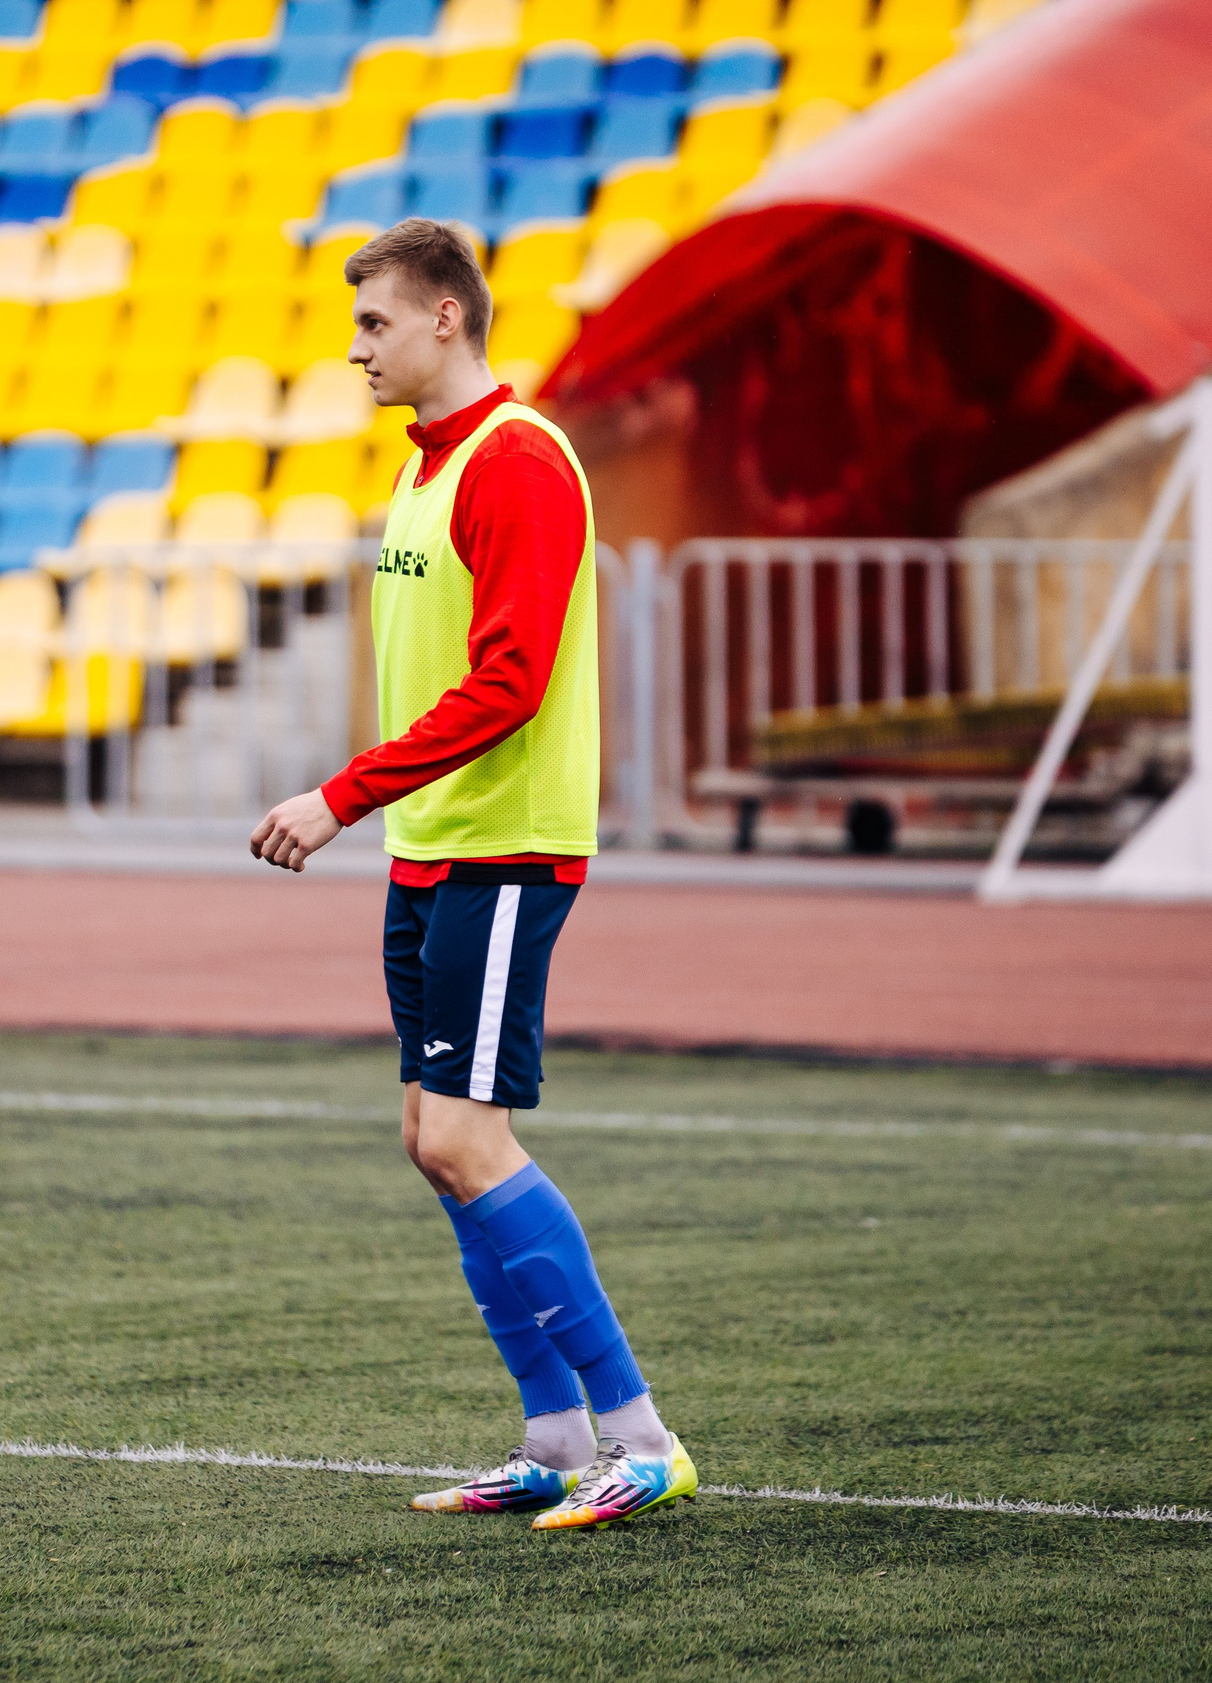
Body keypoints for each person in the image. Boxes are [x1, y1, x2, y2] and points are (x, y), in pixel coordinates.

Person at [247, 218, 695, 1532]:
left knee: (463, 1135)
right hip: (433, 852)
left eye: (374, 323)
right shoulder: (427, 472)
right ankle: (554, 1442)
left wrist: (339, 796)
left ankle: (642, 1436)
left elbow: (507, 683)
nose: (354, 348)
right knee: (431, 1144)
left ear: (447, 316)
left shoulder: (520, 462)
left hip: (503, 850)